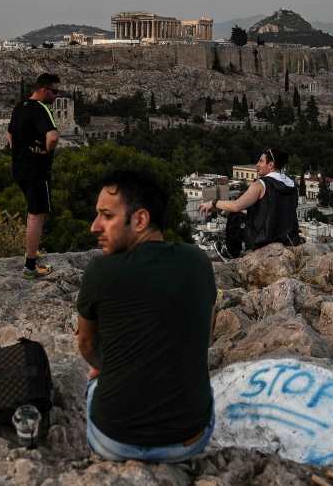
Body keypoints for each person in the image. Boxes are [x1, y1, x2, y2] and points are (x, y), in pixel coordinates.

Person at [76, 169, 217, 462]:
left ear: (140, 219)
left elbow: (87, 347)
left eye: (106, 216)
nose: (94, 226)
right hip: (190, 440)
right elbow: (203, 335)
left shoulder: (99, 272)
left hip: (114, 443)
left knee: (94, 379)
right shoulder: (199, 261)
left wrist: (108, 366)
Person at [7, 72, 61, 279]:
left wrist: (19, 151)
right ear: (44, 90)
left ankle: (31, 262)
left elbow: (10, 134)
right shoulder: (42, 109)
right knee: (36, 216)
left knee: (32, 213)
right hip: (37, 170)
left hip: (20, 169)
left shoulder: (20, 107)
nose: (57, 96)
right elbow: (53, 137)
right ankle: (30, 266)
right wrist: (46, 150)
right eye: (55, 91)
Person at [197, 148, 299, 258]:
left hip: (264, 238)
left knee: (235, 216)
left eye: (260, 161)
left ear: (271, 165)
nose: (257, 165)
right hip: (288, 238)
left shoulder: (262, 184)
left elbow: (236, 206)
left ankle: (231, 255)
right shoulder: (292, 185)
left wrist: (214, 203)